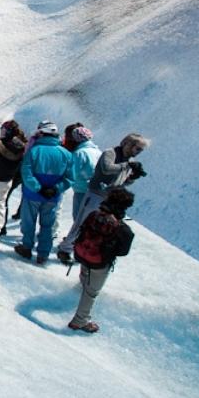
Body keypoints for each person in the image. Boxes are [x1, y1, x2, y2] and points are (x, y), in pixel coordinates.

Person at [59, 133, 150, 260]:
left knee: (96, 226)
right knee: (82, 222)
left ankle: (84, 248)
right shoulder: (110, 153)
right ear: (128, 144)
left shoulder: (130, 161)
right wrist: (127, 166)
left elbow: (123, 181)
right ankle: (65, 248)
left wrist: (133, 177)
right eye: (138, 148)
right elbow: (107, 168)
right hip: (95, 194)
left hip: (109, 198)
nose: (139, 152)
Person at [68, 188, 136, 333]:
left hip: (81, 254)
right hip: (99, 263)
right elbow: (123, 251)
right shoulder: (123, 229)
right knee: (92, 293)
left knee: (85, 274)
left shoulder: (94, 215)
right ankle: (80, 321)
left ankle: (82, 287)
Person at [14, 121, 73, 264]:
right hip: (52, 197)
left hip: (32, 194)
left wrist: (38, 187)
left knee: (29, 222)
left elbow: (26, 172)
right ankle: (43, 254)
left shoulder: (34, 150)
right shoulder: (66, 154)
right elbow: (70, 178)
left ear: (41, 133)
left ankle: (27, 247)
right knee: (47, 225)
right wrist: (56, 188)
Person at [55, 125, 102, 263]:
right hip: (96, 192)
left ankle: (70, 247)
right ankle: (81, 244)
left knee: (79, 220)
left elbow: (71, 174)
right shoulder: (97, 151)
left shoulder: (79, 153)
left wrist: (59, 187)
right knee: (89, 222)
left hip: (82, 191)